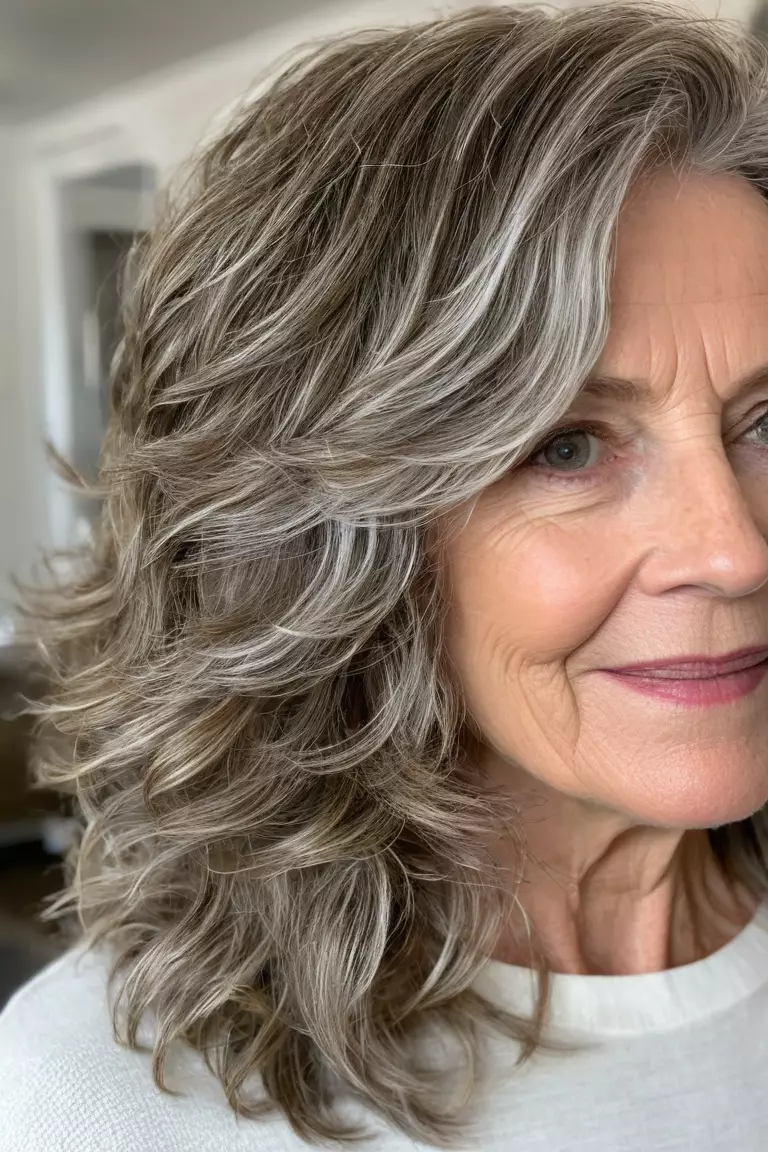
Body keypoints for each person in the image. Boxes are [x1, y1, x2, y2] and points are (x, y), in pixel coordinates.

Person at [3, 1, 768, 1148]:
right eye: (565, 446)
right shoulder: (112, 1099)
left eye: (767, 421)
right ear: (328, 537)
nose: (735, 548)